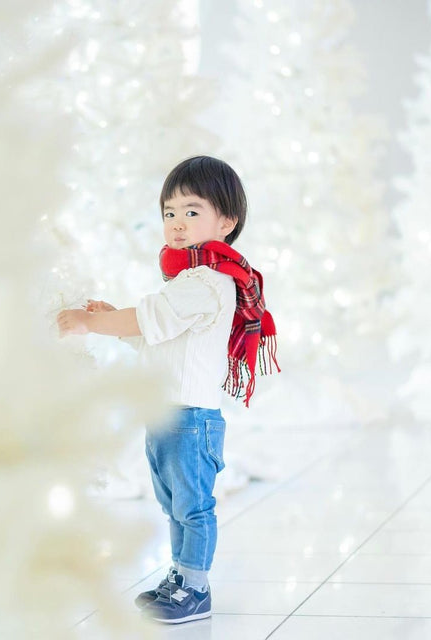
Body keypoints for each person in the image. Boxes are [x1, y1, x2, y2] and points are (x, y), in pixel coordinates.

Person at [57, 155, 278, 624]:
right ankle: (180, 576)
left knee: (193, 508)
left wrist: (90, 322)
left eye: (192, 212)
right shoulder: (187, 280)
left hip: (191, 419)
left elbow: (148, 318)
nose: (177, 224)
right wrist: (113, 317)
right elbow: (152, 336)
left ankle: (196, 588)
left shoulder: (208, 281)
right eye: (169, 213)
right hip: (168, 415)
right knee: (173, 503)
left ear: (228, 221)